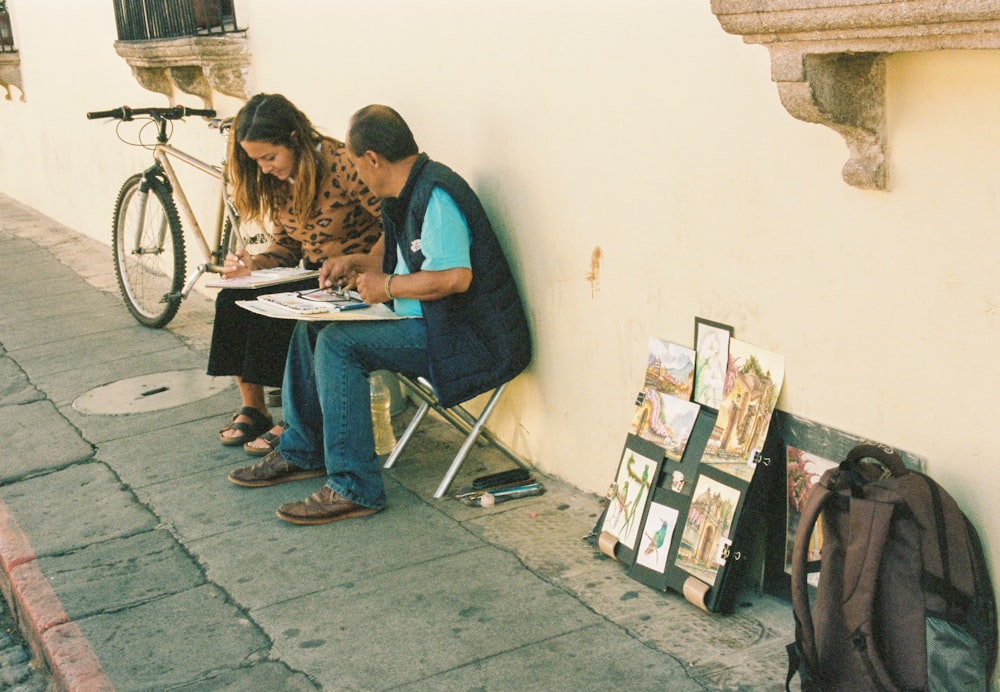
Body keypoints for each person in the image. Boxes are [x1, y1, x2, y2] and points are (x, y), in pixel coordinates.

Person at [227, 105, 532, 525]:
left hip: (467, 338)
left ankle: (354, 485)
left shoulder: (435, 193)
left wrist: (386, 287)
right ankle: (302, 448)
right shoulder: (404, 195)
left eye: (355, 163)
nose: (357, 174)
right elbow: (400, 262)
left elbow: (455, 278)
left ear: (372, 158)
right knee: (312, 328)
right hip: (429, 324)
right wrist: (354, 263)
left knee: (339, 345)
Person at [210, 94, 382, 453]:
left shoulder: (342, 165)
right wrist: (252, 266)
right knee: (233, 297)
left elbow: (394, 223)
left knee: (280, 311)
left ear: (293, 138)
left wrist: (362, 262)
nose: (265, 168)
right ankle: (254, 409)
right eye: (256, 161)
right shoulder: (279, 181)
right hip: (315, 276)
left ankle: (294, 419)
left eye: (269, 157)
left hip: (354, 280)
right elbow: (286, 245)